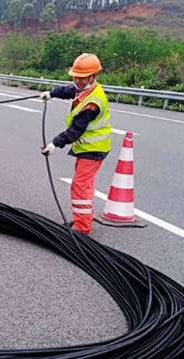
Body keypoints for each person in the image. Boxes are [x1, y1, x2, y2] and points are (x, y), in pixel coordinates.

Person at [40, 53, 112, 235]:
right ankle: (84, 218)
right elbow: (68, 90)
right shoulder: (83, 89)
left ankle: (82, 227)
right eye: (75, 77)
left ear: (92, 76)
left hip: (93, 149)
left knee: (80, 186)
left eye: (81, 78)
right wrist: (51, 93)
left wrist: (54, 144)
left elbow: (75, 130)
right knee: (83, 185)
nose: (77, 81)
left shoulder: (93, 103)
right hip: (86, 148)